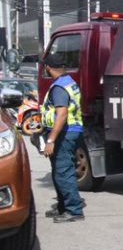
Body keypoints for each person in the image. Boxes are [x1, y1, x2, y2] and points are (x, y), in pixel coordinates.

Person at [40, 54, 85, 223]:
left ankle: (74, 210)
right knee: (60, 171)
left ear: (48, 68)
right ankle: (62, 207)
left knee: (63, 172)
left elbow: (62, 114)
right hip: (71, 131)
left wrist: (50, 140)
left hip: (64, 133)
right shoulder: (69, 82)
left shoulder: (59, 87)